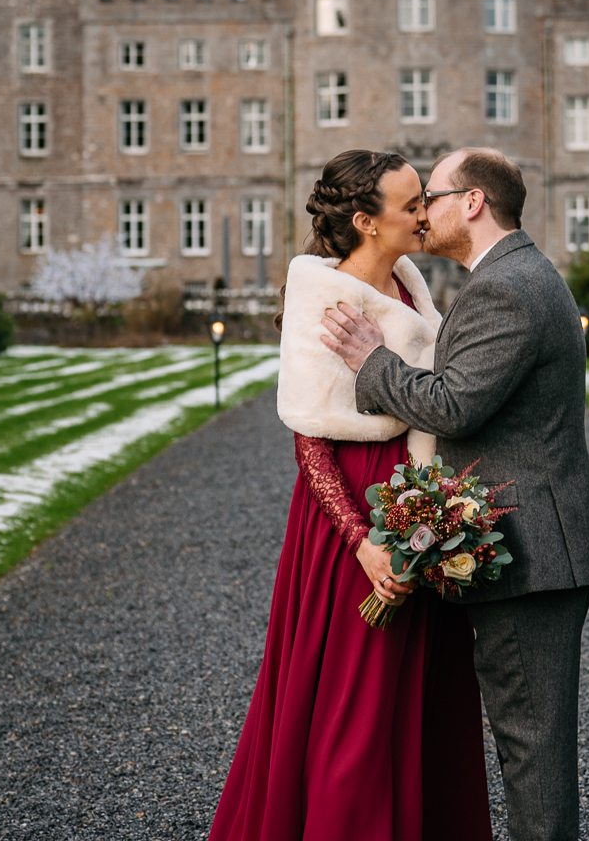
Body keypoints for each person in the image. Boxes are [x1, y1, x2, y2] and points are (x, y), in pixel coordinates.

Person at [321, 147, 589, 841]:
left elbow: (454, 407)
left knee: (531, 753)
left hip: (532, 556)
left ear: (473, 202)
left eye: (434, 195)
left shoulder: (506, 288)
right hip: (543, 548)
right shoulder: (519, 276)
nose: (424, 211)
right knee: (532, 747)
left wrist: (372, 359)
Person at [210, 149, 492, 841]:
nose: (426, 214)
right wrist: (364, 542)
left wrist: (428, 524)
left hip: (413, 503)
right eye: (411, 206)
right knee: (351, 710)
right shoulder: (325, 300)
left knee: (416, 701)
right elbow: (310, 441)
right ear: (367, 222)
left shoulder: (407, 287)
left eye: (423, 199)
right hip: (350, 521)